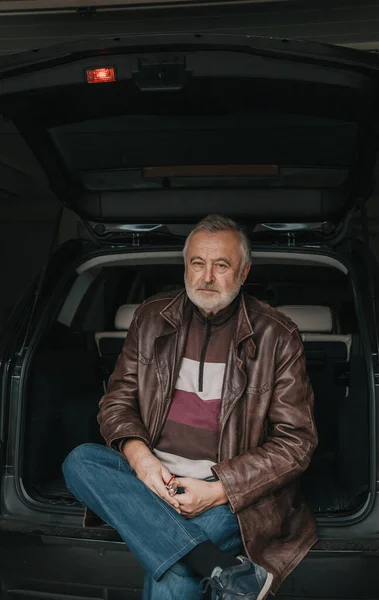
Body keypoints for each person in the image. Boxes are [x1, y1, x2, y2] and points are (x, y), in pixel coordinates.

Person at [62, 214, 318, 600]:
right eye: (197, 263)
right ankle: (224, 568)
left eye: (221, 265)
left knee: (177, 570)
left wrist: (217, 491)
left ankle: (202, 559)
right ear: (186, 267)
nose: (207, 277)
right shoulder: (150, 317)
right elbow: (117, 401)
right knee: (80, 461)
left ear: (244, 272)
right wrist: (142, 460)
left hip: (232, 492)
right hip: (153, 479)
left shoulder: (277, 335)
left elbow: (296, 444)